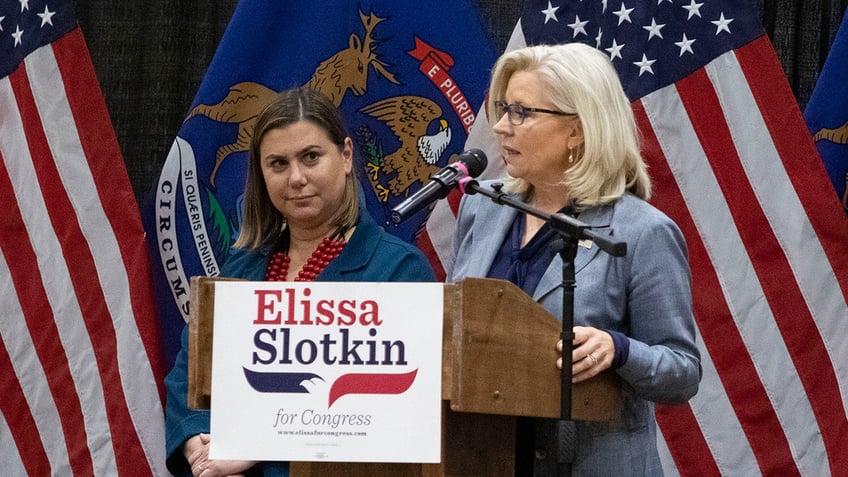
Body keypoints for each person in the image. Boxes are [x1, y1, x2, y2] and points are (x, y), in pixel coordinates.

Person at [447, 43, 701, 476]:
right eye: (503, 110)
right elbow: (455, 327)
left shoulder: (642, 232)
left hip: (587, 463)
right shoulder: (482, 208)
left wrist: (618, 350)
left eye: (522, 113)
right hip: (483, 456)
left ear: (577, 130)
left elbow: (682, 372)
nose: (503, 128)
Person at [164, 86, 436, 477]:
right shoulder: (241, 268)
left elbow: (390, 408)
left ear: (345, 156)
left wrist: (256, 444)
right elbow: (187, 374)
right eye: (277, 164)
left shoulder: (399, 270)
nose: (296, 178)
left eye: (311, 157)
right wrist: (198, 448)